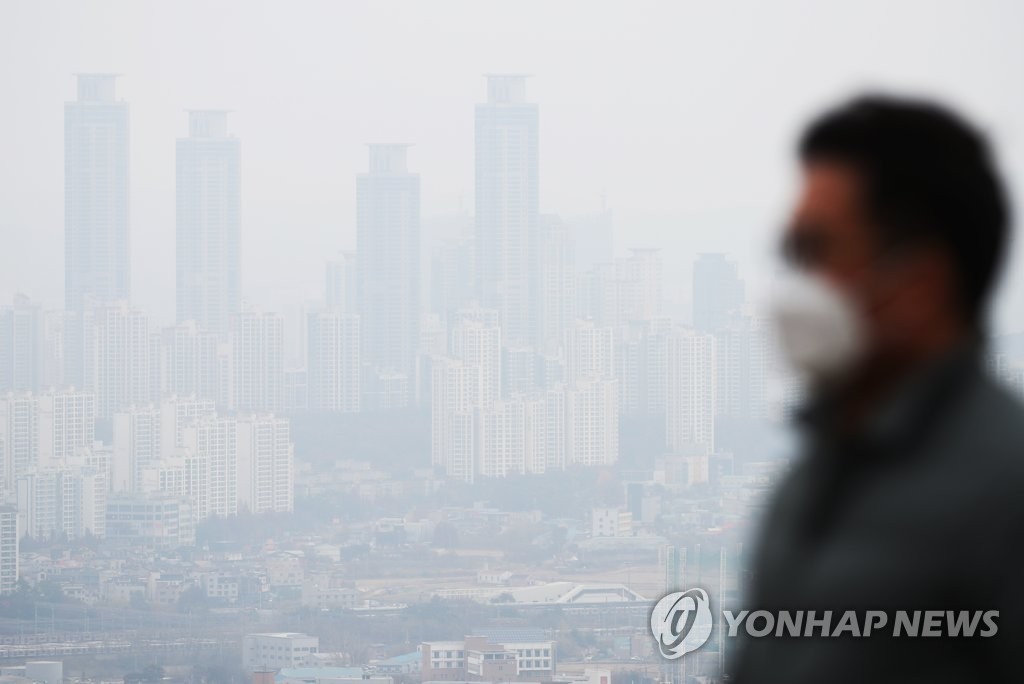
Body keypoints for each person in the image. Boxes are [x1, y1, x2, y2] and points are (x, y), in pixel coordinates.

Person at [728, 96, 1024, 683]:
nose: (796, 287)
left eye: (816, 253)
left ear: (919, 282)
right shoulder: (808, 485)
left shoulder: (1008, 491)